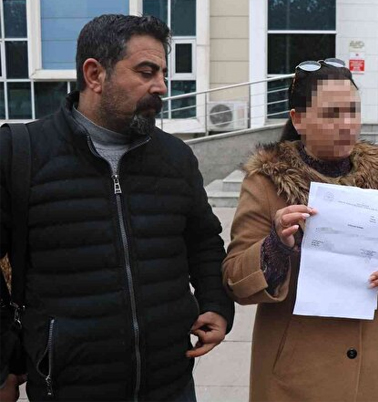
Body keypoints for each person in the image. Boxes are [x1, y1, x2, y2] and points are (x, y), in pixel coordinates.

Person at [0, 14, 234, 401]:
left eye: (163, 73)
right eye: (146, 72)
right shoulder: (20, 153)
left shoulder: (175, 157)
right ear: (95, 74)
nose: (161, 86)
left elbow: (204, 242)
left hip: (170, 384)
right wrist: (5, 358)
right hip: (68, 387)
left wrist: (216, 303)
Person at [222, 59, 378, 401]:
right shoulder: (266, 182)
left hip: (369, 370)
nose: (346, 124)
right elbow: (234, 277)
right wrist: (276, 245)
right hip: (294, 374)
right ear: (298, 119)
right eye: (332, 114)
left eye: (352, 111)